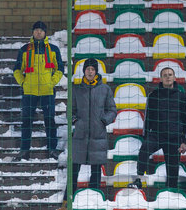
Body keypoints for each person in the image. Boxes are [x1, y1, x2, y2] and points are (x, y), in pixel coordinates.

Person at [129, 67, 186, 190]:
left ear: (174, 77)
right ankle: (139, 180)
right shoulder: (153, 95)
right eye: (165, 75)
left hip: (174, 137)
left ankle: (171, 194)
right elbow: (148, 117)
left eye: (170, 74)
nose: (168, 77)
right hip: (156, 135)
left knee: (173, 172)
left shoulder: (182, 96)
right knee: (144, 150)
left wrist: (185, 141)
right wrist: (146, 137)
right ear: (161, 78)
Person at [64, 58, 116, 200]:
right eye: (88, 69)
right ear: (84, 71)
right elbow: (70, 110)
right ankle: (67, 200)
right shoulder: (76, 89)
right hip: (80, 135)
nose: (90, 71)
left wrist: (104, 120)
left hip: (98, 136)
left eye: (92, 69)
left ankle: (94, 200)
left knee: (96, 171)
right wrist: (76, 121)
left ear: (96, 72)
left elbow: (112, 110)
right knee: (74, 170)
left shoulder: (105, 89)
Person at [12, 20, 64, 161]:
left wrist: (52, 82)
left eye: (41, 30)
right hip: (29, 91)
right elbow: (17, 69)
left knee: (50, 121)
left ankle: (52, 149)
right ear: (33, 32)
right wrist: (23, 83)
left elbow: (60, 69)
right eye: (36, 30)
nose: (39, 32)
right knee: (26, 121)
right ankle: (24, 150)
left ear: (45, 32)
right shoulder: (25, 49)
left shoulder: (53, 49)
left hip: (47, 91)